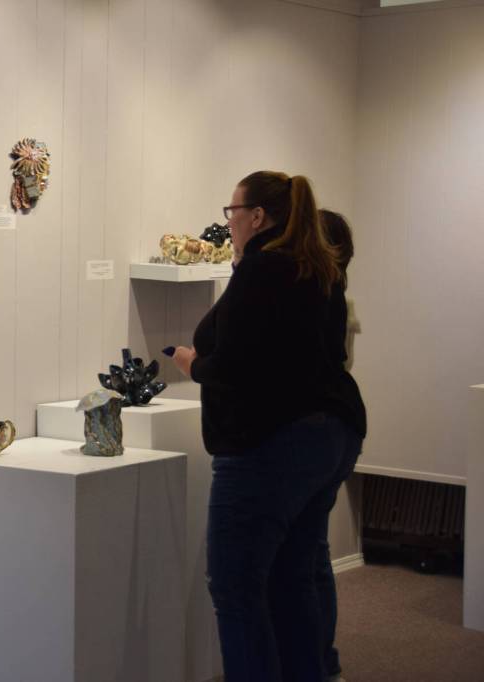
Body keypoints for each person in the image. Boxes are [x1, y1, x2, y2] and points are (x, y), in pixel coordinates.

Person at [168, 172, 366, 682]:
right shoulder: (314, 266)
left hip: (270, 440)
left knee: (236, 586)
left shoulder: (265, 269)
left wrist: (194, 367)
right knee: (293, 573)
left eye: (231, 212)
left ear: (256, 216)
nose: (227, 222)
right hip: (330, 432)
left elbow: (236, 364)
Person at [314, 209, 359, 682]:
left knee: (304, 557)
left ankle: (315, 662)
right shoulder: (337, 293)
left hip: (317, 429)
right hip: (339, 427)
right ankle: (321, 662)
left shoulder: (323, 296)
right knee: (313, 553)